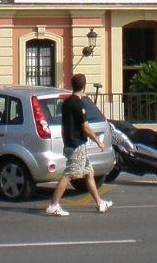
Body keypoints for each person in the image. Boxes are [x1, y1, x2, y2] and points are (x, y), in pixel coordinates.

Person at [45, 73, 113, 217]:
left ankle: (100, 203)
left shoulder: (66, 103)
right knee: (69, 174)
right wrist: (98, 141)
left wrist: (65, 142)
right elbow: (85, 127)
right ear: (84, 86)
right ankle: (53, 204)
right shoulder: (78, 104)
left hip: (70, 143)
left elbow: (64, 126)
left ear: (72, 85)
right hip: (77, 145)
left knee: (89, 173)